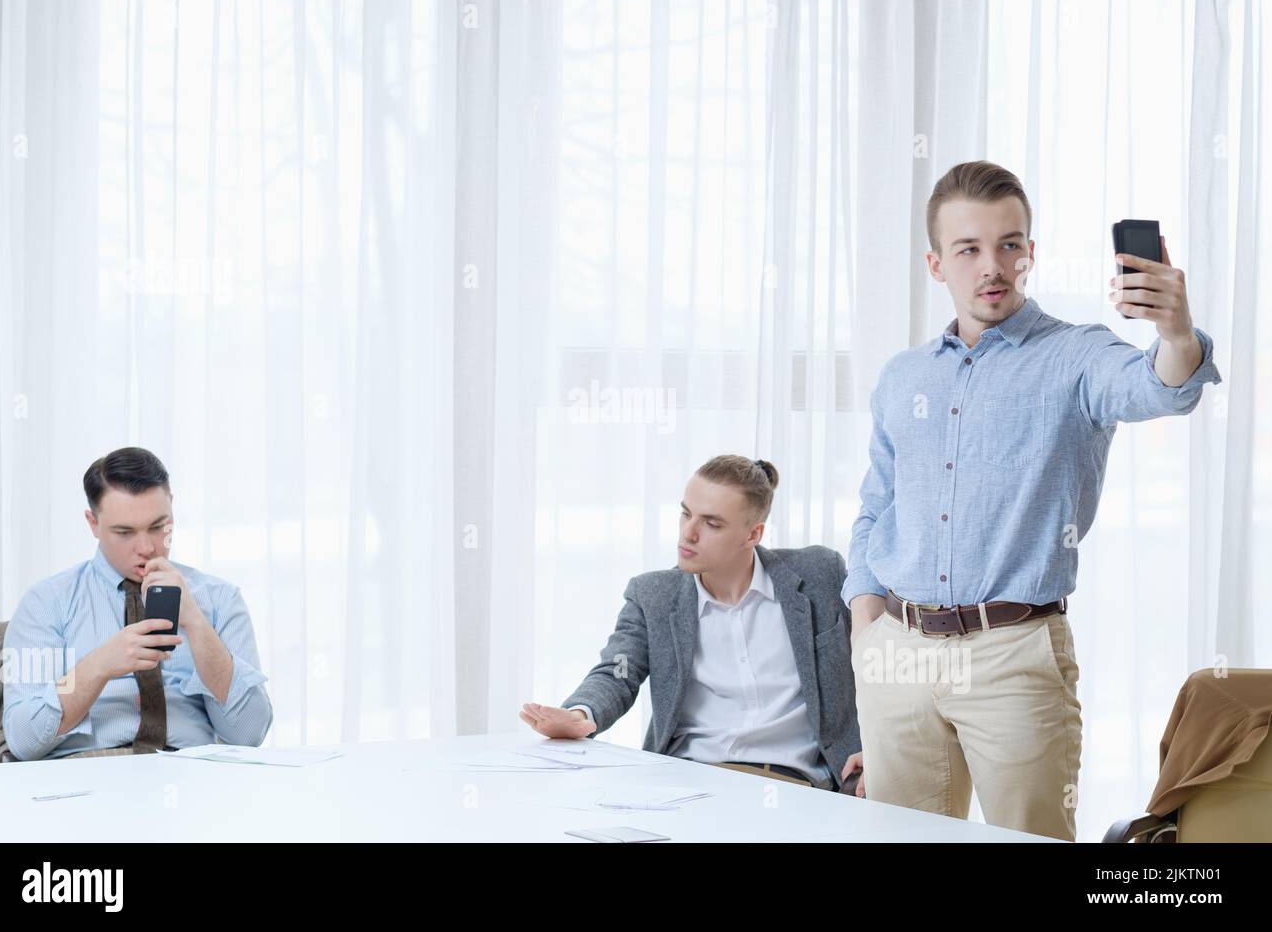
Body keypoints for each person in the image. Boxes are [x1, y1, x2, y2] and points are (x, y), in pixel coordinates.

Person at [841, 160, 1222, 839]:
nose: (993, 265)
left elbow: (1162, 387)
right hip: (896, 652)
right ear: (936, 264)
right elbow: (877, 506)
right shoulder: (903, 377)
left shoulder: (1076, 357)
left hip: (1012, 654)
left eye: (1009, 244)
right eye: (969, 249)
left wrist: (1175, 334)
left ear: (1030, 254)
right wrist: (866, 630)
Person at [520, 454, 862, 791]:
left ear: (752, 534)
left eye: (712, 524)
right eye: (686, 514)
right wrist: (581, 714)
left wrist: (874, 748)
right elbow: (617, 672)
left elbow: (869, 657)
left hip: (797, 786)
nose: (688, 534)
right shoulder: (653, 595)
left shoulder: (819, 574)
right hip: (688, 785)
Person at [2, 447, 273, 760]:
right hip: (85, 774)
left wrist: (197, 625)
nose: (147, 547)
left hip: (190, 770)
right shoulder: (45, 603)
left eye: (159, 526)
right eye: (124, 532)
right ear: (93, 523)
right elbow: (24, 742)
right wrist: (99, 665)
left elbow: (249, 735)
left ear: (172, 506)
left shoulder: (220, 599)